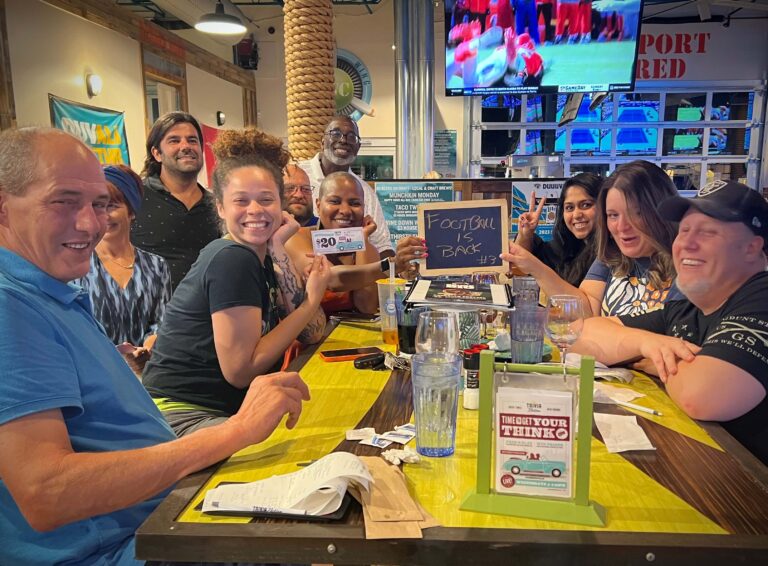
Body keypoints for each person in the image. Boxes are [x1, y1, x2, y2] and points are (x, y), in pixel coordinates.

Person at [0, 127, 311, 565]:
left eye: (100, 203)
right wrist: (237, 430)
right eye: (64, 201)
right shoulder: (10, 304)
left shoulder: (51, 291)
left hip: (156, 517)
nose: (93, 223)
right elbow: (46, 492)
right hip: (122, 548)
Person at [142, 128, 329, 436]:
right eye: (241, 200)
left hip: (211, 411)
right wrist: (310, 302)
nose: (255, 210)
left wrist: (278, 247)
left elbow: (312, 332)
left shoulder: (261, 257)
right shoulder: (232, 258)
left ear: (280, 206)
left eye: (266, 199)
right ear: (220, 207)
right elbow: (241, 372)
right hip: (179, 417)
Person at [572, 180, 768, 464]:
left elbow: (702, 395)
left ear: (752, 248)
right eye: (684, 230)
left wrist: (639, 358)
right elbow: (580, 336)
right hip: (706, 468)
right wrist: (648, 343)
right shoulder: (685, 309)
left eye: (708, 232)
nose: (686, 243)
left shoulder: (761, 296)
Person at [503, 160, 683, 316]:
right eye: (613, 215)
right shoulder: (611, 254)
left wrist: (600, 330)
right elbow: (586, 310)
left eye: (636, 213)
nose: (621, 226)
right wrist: (530, 253)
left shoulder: (688, 265)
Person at [73, 165, 172, 371]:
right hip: (91, 375)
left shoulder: (156, 266)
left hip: (144, 377)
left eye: (112, 206)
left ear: (131, 211)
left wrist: (150, 345)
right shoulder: (75, 264)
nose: (104, 216)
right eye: (97, 206)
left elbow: (162, 323)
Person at [132, 112, 221, 290]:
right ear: (157, 153)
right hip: (152, 314)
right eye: (174, 140)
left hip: (209, 312)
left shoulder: (218, 205)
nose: (185, 146)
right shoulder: (135, 198)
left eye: (192, 140)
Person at [299, 116, 394, 259]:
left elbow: (382, 245)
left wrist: (396, 267)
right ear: (322, 141)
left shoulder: (365, 191)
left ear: (358, 147)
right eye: (335, 134)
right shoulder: (298, 175)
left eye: (352, 137)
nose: (343, 140)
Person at [286, 171, 380, 315]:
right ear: (318, 205)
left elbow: (366, 306)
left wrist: (361, 239)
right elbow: (332, 280)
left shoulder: (369, 248)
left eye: (355, 203)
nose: (345, 210)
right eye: (334, 202)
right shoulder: (297, 238)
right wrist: (391, 265)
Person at [514, 172, 602, 286]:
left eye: (586, 205)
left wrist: (539, 271)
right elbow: (521, 266)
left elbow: (585, 301)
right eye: (569, 207)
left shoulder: (609, 252)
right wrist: (526, 234)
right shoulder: (566, 246)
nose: (576, 215)